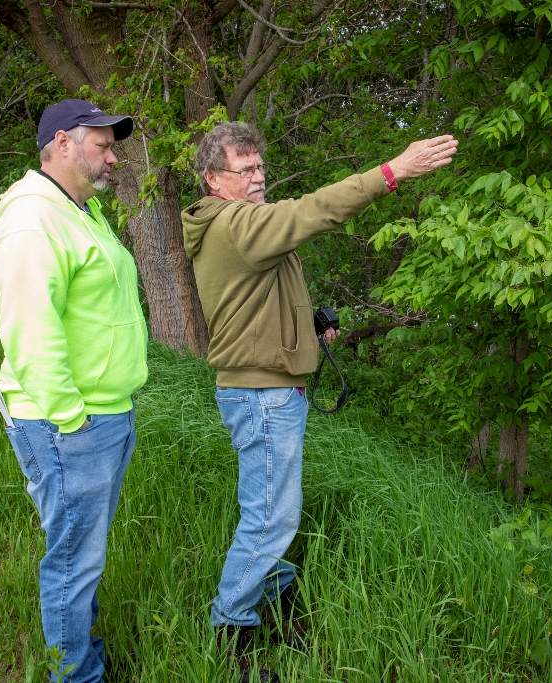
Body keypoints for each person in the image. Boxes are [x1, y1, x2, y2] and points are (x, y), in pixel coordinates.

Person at [181, 122, 457, 677]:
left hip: (268, 389)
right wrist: (391, 172)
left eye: (260, 166)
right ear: (213, 179)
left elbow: (257, 300)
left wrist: (304, 327)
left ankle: (276, 605)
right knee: (270, 521)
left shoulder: (239, 225)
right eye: (244, 170)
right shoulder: (236, 223)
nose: (258, 177)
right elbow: (315, 211)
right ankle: (231, 631)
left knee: (273, 513)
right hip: (262, 395)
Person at [0, 99, 147, 683]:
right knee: (73, 562)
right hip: (67, 424)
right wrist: (71, 418)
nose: (113, 157)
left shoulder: (81, 211)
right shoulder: (33, 219)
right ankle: (76, 676)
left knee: (84, 554)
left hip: (106, 414)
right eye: (103, 146)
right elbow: (31, 331)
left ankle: (83, 656)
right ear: (62, 143)